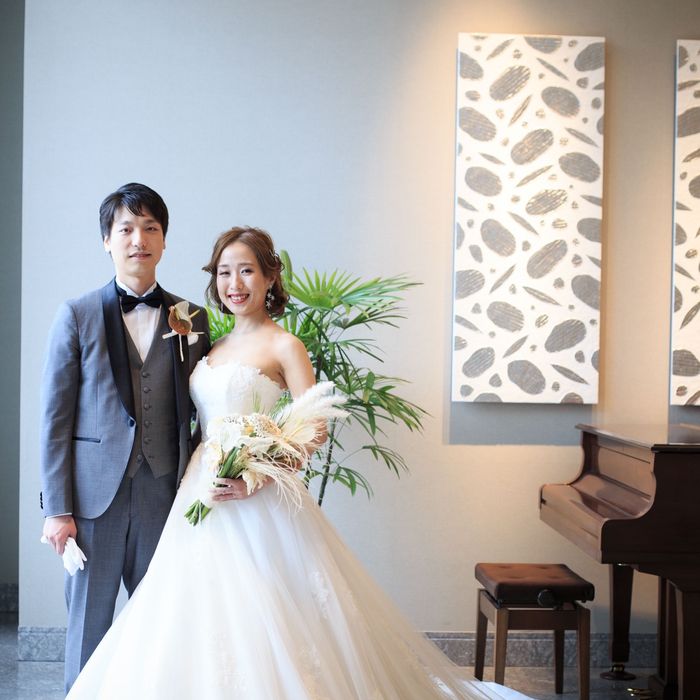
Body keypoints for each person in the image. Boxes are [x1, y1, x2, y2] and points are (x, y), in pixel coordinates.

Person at [65, 226, 532, 700]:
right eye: (224, 273)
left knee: (266, 616)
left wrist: (254, 477)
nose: (234, 284)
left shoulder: (285, 345)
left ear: (270, 277)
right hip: (200, 492)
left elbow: (314, 428)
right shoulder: (211, 343)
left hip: (257, 500)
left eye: (247, 271)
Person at [39, 183, 210, 693]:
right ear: (107, 240)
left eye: (150, 228)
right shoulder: (77, 314)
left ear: (164, 240)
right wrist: (57, 509)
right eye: (127, 229)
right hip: (94, 503)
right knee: (88, 628)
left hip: (165, 494)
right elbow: (55, 421)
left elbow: (205, 405)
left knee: (164, 626)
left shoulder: (191, 318)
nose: (139, 239)